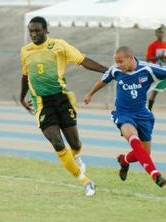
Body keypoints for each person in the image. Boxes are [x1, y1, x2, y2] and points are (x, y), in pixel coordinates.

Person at [84, 46, 166, 187]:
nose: (118, 65)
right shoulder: (115, 70)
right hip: (123, 114)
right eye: (116, 62)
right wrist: (90, 94)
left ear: (130, 58)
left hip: (142, 114)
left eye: (121, 61)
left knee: (144, 153)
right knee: (132, 137)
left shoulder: (148, 69)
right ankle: (155, 175)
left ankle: (124, 160)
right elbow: (102, 81)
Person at [19, 16, 108, 196]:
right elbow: (25, 75)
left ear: (46, 30)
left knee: (75, 143)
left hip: (61, 99)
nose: (33, 34)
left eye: (37, 31)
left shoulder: (59, 46)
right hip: (42, 104)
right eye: (31, 32)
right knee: (57, 143)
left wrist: (108, 71)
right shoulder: (25, 51)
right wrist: (22, 98)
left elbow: (83, 61)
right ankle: (85, 182)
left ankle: (76, 156)